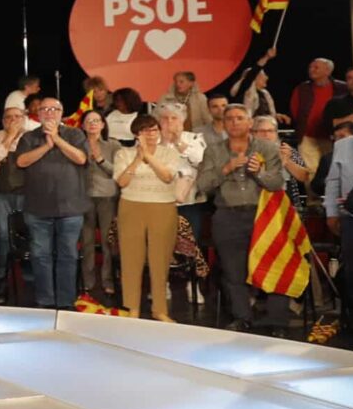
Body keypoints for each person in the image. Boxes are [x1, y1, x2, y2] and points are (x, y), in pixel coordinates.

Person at [197, 104, 288, 335]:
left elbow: (277, 183)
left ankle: (277, 321)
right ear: (224, 124)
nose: (235, 122)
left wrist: (259, 172)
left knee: (272, 267)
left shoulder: (268, 148)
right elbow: (203, 185)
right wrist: (225, 169)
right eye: (229, 119)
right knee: (232, 271)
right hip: (228, 216)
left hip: (263, 216)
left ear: (250, 123)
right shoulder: (213, 150)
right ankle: (241, 318)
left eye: (240, 118)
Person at [15, 97, 89, 309]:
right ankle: (45, 301)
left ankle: (66, 302)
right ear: (37, 114)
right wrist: (46, 146)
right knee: (40, 256)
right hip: (38, 208)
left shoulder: (75, 134)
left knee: (68, 255)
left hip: (70, 207)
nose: (49, 112)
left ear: (61, 113)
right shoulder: (29, 137)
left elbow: (81, 159)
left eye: (54, 109)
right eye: (44, 109)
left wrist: (57, 139)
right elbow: (21, 161)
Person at [113, 114, 180, 321]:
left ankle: (159, 309)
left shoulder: (169, 153)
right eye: (145, 130)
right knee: (131, 259)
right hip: (131, 206)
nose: (150, 134)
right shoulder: (123, 154)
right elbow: (122, 181)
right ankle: (132, 307)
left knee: (159, 259)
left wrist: (149, 157)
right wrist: (136, 159)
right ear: (136, 134)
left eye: (154, 130)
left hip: (163, 207)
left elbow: (167, 177)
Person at [324, 100, 353, 337]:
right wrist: (331, 213)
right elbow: (333, 182)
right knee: (352, 274)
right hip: (352, 220)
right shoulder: (343, 145)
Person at [0, 106, 29, 302]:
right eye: (8, 117)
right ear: (3, 121)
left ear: (24, 119)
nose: (13, 120)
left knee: (29, 234)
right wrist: (9, 136)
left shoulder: (31, 137)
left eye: (17, 117)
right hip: (1, 193)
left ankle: (30, 281)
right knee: (3, 236)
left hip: (27, 193)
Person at [79, 110, 120, 295]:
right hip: (83, 197)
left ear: (103, 124)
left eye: (97, 120)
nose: (93, 124)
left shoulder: (113, 145)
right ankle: (87, 280)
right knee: (86, 242)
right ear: (82, 125)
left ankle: (108, 280)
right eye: (89, 121)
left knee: (107, 242)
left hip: (107, 198)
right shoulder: (77, 145)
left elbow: (118, 172)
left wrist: (101, 160)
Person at [289, 57, 346, 182]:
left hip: (333, 137)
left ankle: (333, 199)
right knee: (311, 171)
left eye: (316, 67)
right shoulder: (302, 88)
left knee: (334, 169)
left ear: (328, 71)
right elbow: (295, 109)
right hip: (308, 137)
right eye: (310, 67)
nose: (311, 70)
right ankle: (313, 201)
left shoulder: (342, 88)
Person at [156, 102, 208, 240]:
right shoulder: (151, 139)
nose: (169, 121)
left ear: (182, 120)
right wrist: (164, 142)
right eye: (165, 118)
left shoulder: (194, 138)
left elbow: (199, 160)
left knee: (188, 245)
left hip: (188, 201)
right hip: (158, 201)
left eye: (174, 118)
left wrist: (178, 141)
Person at [254, 115, 308, 211]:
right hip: (257, 203)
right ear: (253, 133)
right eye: (262, 131)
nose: (266, 135)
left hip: (286, 202)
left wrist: (287, 162)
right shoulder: (247, 152)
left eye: (270, 131)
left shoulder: (288, 151)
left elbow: (304, 177)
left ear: (276, 133)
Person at [227, 47, 289, 125]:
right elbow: (253, 72)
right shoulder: (244, 90)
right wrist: (267, 57)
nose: (267, 77)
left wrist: (276, 115)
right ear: (254, 79)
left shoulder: (264, 94)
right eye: (263, 75)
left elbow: (263, 113)